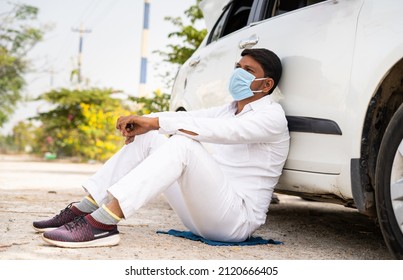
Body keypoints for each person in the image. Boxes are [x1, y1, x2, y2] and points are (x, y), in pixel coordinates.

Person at [33, 48, 290, 248]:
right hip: (200, 215)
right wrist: (145, 120)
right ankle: (86, 208)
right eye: (238, 67)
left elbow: (217, 132)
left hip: (235, 221)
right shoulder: (229, 110)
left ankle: (104, 223)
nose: (238, 73)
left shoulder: (271, 117)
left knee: (183, 144)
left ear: (266, 84)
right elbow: (193, 118)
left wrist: (155, 122)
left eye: (248, 70)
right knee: (151, 137)